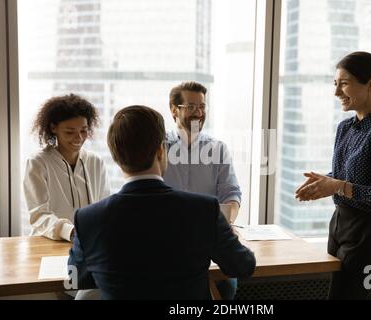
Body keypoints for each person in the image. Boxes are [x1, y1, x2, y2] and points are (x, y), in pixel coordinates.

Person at [68, 105, 256, 300]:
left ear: (116, 157)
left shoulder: (88, 219)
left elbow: (76, 279)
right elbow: (244, 266)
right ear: (161, 150)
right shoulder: (203, 209)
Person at [295, 51, 371, 300]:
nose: (337, 93)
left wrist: (337, 186)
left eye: (344, 84)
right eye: (335, 84)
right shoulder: (345, 127)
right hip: (340, 225)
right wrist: (324, 183)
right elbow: (348, 175)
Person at [164, 81, 241, 299]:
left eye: (202, 106)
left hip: (209, 241)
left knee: (226, 284)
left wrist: (227, 222)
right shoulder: (158, 147)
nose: (198, 113)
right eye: (191, 107)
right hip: (167, 242)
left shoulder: (218, 148)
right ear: (173, 109)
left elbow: (231, 193)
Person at [24, 94, 111, 242]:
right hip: (48, 243)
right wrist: (71, 232)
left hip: (89, 244)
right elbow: (38, 215)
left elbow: (104, 207)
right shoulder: (38, 163)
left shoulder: (96, 162)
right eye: (70, 132)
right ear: (53, 128)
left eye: (83, 131)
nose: (78, 138)